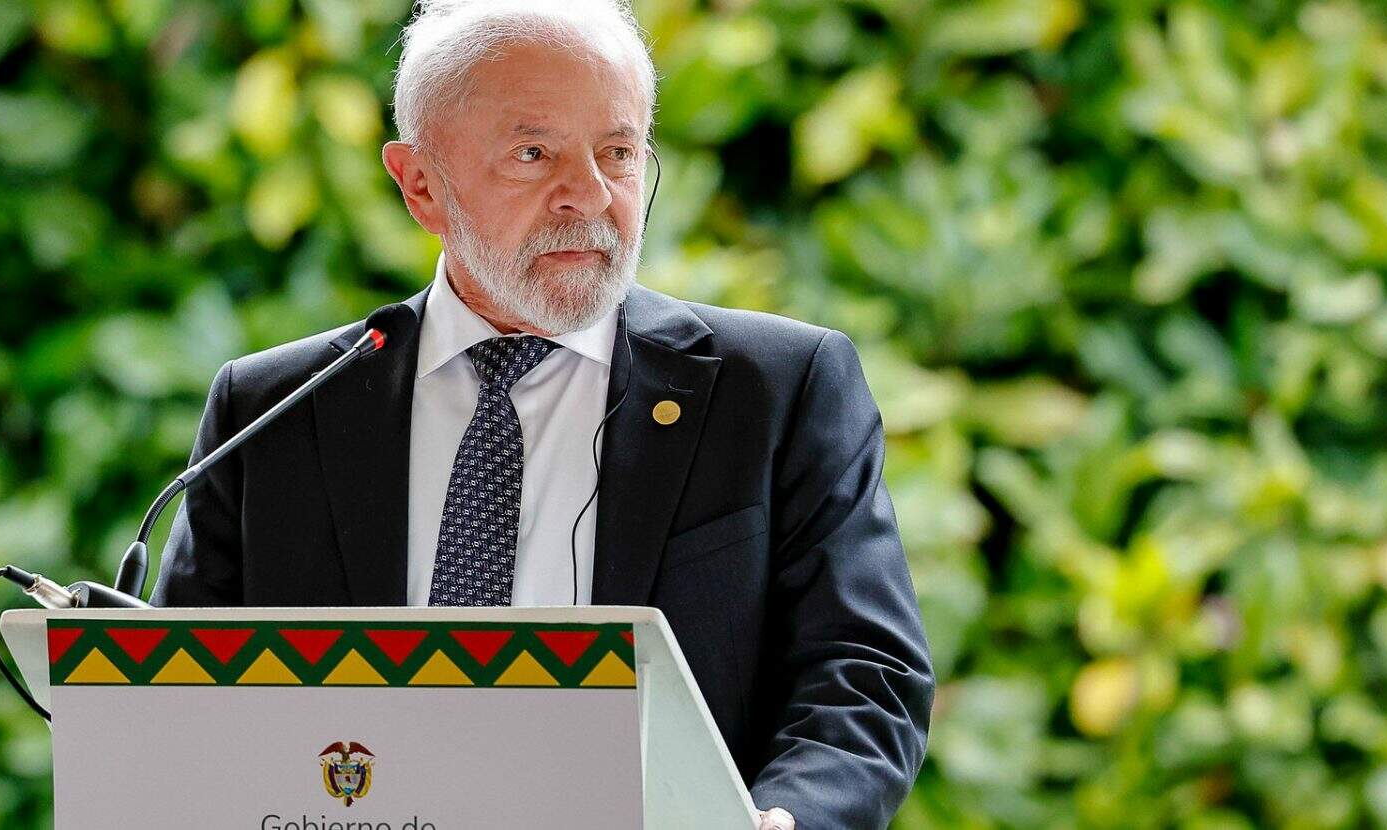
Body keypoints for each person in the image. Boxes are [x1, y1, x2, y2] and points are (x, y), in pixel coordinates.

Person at [151, 1, 933, 826]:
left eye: (618, 153)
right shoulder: (274, 411)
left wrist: (783, 822)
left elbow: (863, 676)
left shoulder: (775, 389)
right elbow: (178, 701)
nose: (589, 195)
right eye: (534, 153)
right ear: (421, 184)